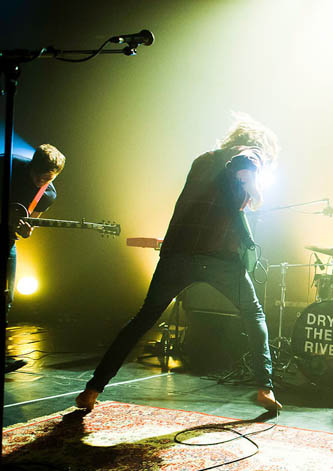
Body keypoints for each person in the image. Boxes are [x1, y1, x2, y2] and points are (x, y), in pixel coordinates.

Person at [75, 114, 282, 411]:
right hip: (220, 257)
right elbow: (246, 161)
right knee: (254, 315)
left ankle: (92, 390)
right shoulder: (251, 154)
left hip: (178, 253)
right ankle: (265, 388)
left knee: (143, 320)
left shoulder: (203, 159)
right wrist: (255, 189)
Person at [5, 144, 66, 373]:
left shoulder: (48, 193)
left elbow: (31, 223)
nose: (43, 181)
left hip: (7, 241)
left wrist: (27, 230)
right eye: (40, 176)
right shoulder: (8, 166)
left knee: (6, 297)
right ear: (31, 167)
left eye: (49, 178)